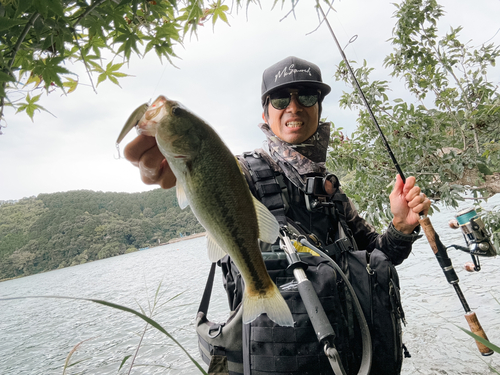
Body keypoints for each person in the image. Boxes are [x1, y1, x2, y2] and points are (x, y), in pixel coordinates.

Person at [124, 56, 431, 374]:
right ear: (265, 113)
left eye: (307, 96)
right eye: (281, 98)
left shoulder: (330, 192)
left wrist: (401, 226)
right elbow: (212, 175)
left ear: (319, 108)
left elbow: (378, 257)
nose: (294, 107)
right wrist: (162, 165)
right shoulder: (247, 173)